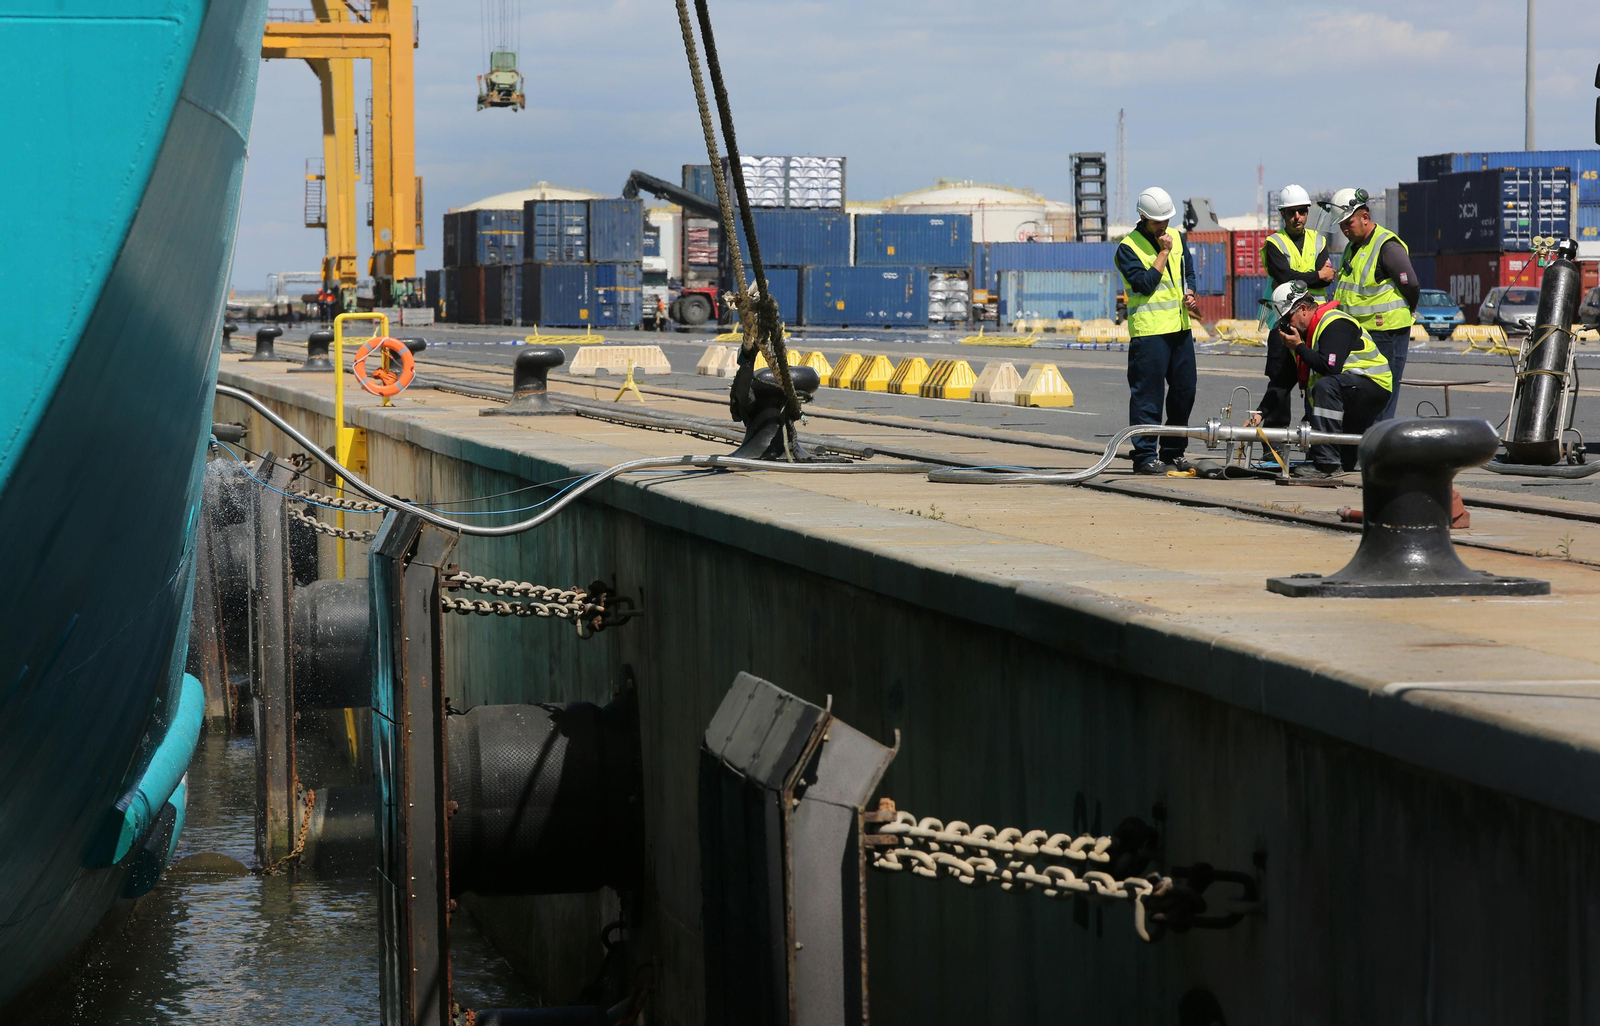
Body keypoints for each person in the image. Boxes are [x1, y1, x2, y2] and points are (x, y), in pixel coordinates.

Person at [1245, 281, 1393, 477]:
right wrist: (1260, 413)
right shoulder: (1304, 336)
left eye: (1288, 318)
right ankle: (1332, 460)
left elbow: (1330, 367)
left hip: (1371, 386)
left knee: (1325, 386)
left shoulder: (1335, 323)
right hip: (1347, 390)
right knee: (1348, 462)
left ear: (1303, 309)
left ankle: (1326, 464)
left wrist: (1299, 347)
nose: (1287, 325)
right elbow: (1283, 381)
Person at [1114, 186, 1202, 475]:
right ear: (1142, 217)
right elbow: (1144, 283)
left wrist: (1190, 291)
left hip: (1180, 329)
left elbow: (1187, 271)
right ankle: (1144, 456)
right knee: (1147, 397)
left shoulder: (1177, 236)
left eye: (1165, 220)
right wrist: (1163, 252)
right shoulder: (1128, 248)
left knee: (1184, 392)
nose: (1163, 227)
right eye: (1156, 222)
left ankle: (1173, 452)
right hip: (1149, 333)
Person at [1320, 187, 1419, 420]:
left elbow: (1411, 284)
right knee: (1361, 393)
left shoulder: (1387, 246)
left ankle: (1381, 446)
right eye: (1341, 225)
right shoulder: (1352, 247)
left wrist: (1410, 306)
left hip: (1386, 332)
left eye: (1348, 223)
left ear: (1365, 217)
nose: (1345, 229)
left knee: (1382, 395)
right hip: (1361, 333)